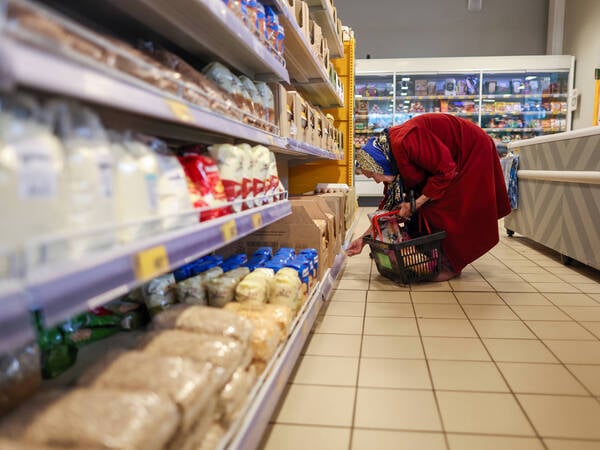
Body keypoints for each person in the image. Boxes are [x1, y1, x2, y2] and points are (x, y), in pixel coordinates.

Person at [346, 113, 512, 281]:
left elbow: (446, 171)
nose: (376, 181)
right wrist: (363, 239)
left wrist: (416, 203)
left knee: (442, 209)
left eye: (374, 175)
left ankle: (450, 264)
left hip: (471, 151)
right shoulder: (390, 158)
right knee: (422, 204)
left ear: (379, 163)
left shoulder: (406, 140)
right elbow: (388, 208)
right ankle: (428, 252)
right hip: (451, 161)